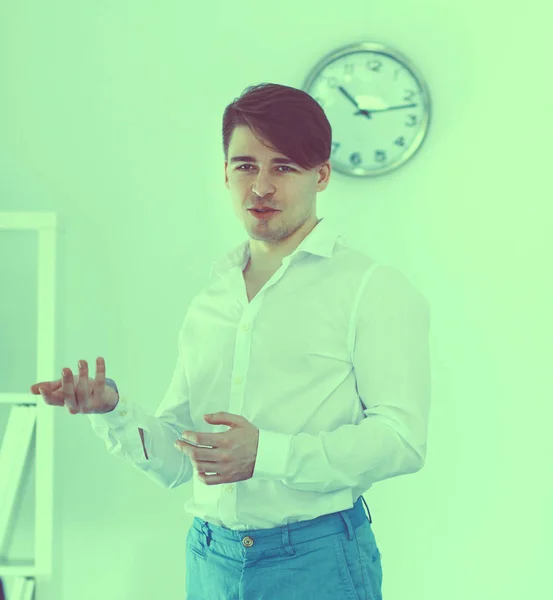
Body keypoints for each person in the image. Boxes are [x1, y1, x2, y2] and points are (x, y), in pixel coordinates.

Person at [30, 83, 431, 599]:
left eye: (283, 166)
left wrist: (266, 453)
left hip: (316, 563)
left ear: (321, 175)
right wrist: (111, 409)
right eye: (245, 166)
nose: (260, 186)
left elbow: (402, 441)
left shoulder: (371, 288)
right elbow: (180, 461)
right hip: (208, 559)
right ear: (224, 173)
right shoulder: (212, 299)